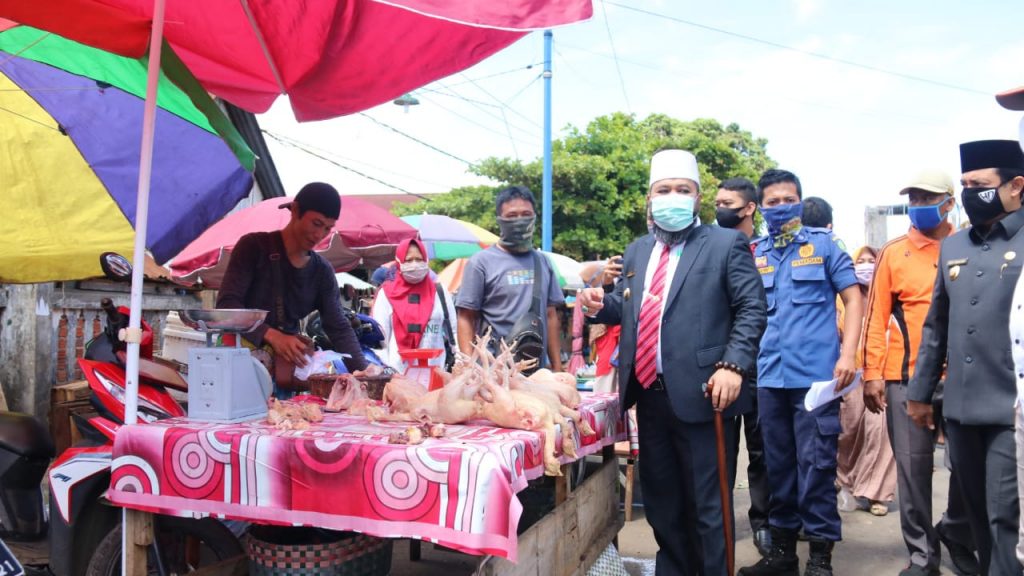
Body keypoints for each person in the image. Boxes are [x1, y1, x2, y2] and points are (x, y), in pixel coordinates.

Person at [578, 149, 767, 575]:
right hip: (649, 395)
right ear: (649, 198)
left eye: (683, 190)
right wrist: (600, 306)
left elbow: (752, 308)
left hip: (706, 395)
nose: (673, 197)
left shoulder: (725, 244)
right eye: (664, 190)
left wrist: (733, 365)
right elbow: (638, 309)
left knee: (708, 507)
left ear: (698, 198)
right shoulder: (637, 251)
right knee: (663, 503)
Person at [908, 140, 1024, 575]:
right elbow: (936, 326)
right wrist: (920, 394)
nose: (972, 193)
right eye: (965, 185)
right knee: (975, 515)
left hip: (1009, 407)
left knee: (1004, 520)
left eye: (981, 185)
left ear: (1016, 186)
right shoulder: (954, 247)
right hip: (960, 407)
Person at [739, 169, 862, 576]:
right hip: (769, 378)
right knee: (778, 470)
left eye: (787, 199)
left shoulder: (823, 246)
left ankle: (821, 560)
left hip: (817, 382)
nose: (781, 207)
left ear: (800, 200)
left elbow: (853, 297)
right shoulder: (754, 253)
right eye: (772, 201)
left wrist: (849, 354)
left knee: (817, 469)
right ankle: (782, 556)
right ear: (760, 207)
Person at [861, 170, 978, 576]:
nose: (918, 205)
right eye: (912, 197)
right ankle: (921, 556)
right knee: (912, 471)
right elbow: (875, 318)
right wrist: (872, 373)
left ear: (949, 201)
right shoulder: (895, 253)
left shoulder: (969, 244)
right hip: (905, 378)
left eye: (927, 197)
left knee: (970, 466)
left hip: (965, 377)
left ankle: (957, 531)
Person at [216, 182, 369, 391]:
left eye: (327, 228)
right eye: (316, 223)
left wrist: (364, 375)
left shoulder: (322, 272)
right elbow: (227, 304)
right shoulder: (253, 247)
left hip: (285, 372)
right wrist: (272, 335)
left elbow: (339, 328)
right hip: (236, 365)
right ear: (295, 210)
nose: (319, 235)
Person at [716, 176, 773, 557]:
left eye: (727, 202)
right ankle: (719, 526)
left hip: (767, 367)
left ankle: (765, 524)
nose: (719, 208)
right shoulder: (710, 249)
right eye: (716, 201)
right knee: (719, 452)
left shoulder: (771, 251)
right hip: (723, 367)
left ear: (749, 207)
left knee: (763, 452)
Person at [456, 185, 564, 371]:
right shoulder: (480, 263)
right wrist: (469, 367)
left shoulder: (543, 262)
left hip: (536, 371)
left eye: (526, 214)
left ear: (534, 217)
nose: (520, 220)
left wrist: (557, 366)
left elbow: (551, 315)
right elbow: (466, 317)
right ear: (500, 220)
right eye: (512, 216)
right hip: (493, 370)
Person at [835, 246, 897, 519]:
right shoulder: (843, 300)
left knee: (879, 432)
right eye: (859, 261)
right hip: (849, 374)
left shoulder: (890, 295)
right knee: (847, 431)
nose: (865, 266)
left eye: (871, 261)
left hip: (883, 373)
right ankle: (845, 482)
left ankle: (876, 493)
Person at [371, 237, 457, 372]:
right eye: (409, 260)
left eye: (419, 259)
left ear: (426, 260)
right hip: (399, 376)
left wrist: (461, 362)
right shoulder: (386, 294)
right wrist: (386, 373)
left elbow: (454, 333)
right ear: (399, 262)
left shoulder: (440, 292)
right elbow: (380, 341)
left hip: (437, 376)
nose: (415, 264)